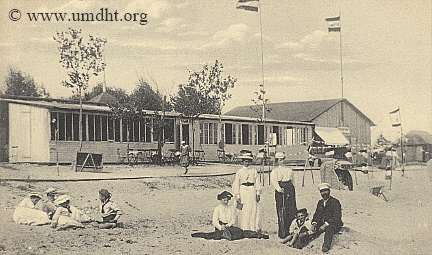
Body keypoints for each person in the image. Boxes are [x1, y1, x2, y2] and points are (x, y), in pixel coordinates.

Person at [232, 152, 262, 232]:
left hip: (252, 190)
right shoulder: (239, 171)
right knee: (243, 209)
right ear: (242, 162)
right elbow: (236, 184)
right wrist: (237, 196)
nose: (247, 163)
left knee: (252, 208)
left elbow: (257, 182)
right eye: (245, 161)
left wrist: (258, 193)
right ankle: (243, 227)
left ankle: (252, 227)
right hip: (243, 190)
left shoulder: (254, 171)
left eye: (248, 161)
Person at [270, 152, 297, 239]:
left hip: (289, 188)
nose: (281, 161)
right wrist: (278, 188)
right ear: (277, 161)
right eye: (279, 160)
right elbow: (274, 181)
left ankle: (290, 229)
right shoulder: (275, 171)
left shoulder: (289, 170)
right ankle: (282, 232)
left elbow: (293, 181)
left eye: (282, 159)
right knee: (281, 209)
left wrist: (292, 189)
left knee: (291, 209)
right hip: (280, 189)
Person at [311, 183, 343, 253]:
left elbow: (336, 217)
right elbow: (317, 214)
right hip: (322, 223)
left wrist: (325, 224)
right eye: (322, 191)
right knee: (312, 229)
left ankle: (326, 246)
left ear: (329, 191)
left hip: (334, 223)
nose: (324, 193)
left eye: (326, 191)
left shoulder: (335, 202)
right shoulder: (320, 202)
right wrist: (314, 223)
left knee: (329, 229)